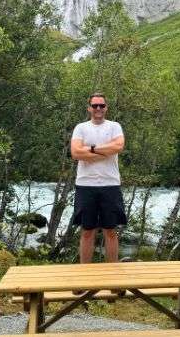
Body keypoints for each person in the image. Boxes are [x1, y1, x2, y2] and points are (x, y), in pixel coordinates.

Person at [70, 92, 126, 264]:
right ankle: (84, 277)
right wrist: (104, 152)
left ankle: (112, 278)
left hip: (110, 184)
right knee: (87, 231)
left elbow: (118, 146)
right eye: (95, 106)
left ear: (106, 108)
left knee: (110, 231)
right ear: (89, 108)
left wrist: (91, 150)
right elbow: (75, 152)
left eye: (101, 105)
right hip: (85, 185)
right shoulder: (81, 128)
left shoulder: (114, 126)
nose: (98, 109)